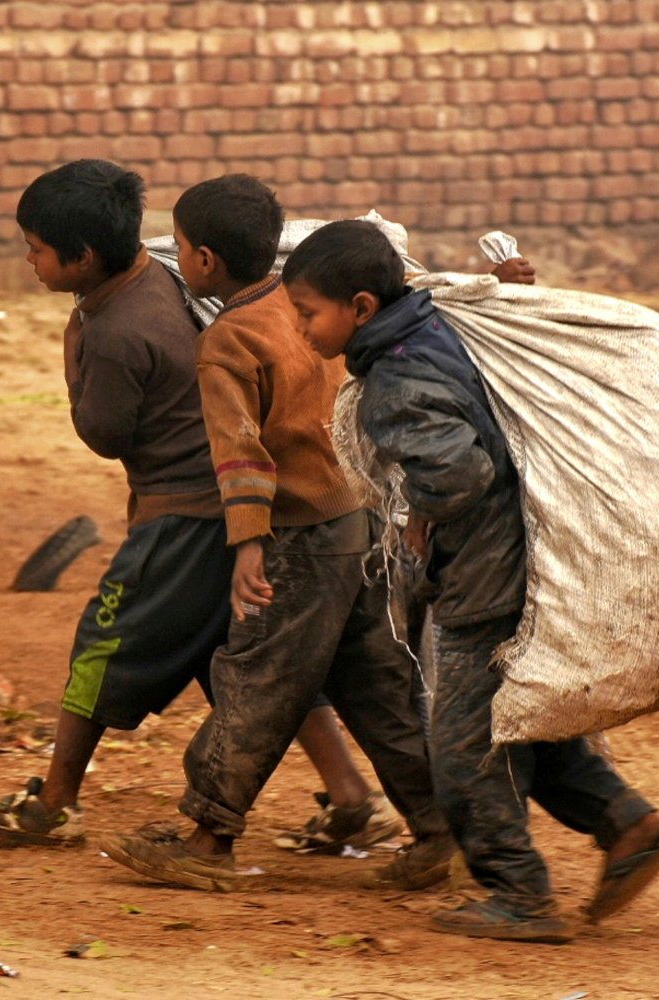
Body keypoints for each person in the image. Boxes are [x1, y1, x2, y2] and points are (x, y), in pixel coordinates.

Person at [0, 160, 403, 856]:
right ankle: (351, 799)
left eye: (37, 249)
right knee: (246, 654)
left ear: (82, 257)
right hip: (239, 509)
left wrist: (74, 347)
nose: (29, 260)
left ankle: (54, 803)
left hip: (187, 516)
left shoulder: (112, 331)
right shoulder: (161, 274)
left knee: (102, 642)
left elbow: (104, 434)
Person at [281, 219, 659, 944]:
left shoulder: (396, 378)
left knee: (465, 743)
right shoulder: (439, 323)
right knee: (517, 719)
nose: (301, 328)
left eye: (309, 313)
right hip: (532, 559)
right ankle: (628, 824)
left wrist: (415, 511)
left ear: (361, 308)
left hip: (485, 575)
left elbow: (458, 472)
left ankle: (517, 893)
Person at [99, 175, 455, 892]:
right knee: (377, 686)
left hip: (300, 538)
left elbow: (241, 454)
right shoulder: (308, 311)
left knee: (257, 679)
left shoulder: (231, 339)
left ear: (200, 262)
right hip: (357, 522)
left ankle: (207, 838)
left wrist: (248, 546)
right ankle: (441, 827)